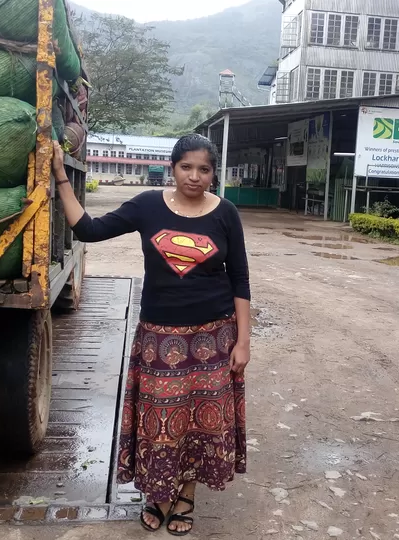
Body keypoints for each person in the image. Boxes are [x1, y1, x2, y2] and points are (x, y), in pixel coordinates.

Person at [52, 134, 251, 536]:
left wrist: (243, 341)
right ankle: (159, 494)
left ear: (214, 173)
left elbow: (240, 279)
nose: (194, 177)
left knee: (202, 423)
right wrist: (60, 177)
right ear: (172, 167)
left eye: (204, 169)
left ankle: (186, 496)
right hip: (160, 336)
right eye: (186, 167)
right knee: (160, 422)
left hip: (214, 337)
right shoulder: (146, 206)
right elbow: (89, 229)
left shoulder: (226, 213)